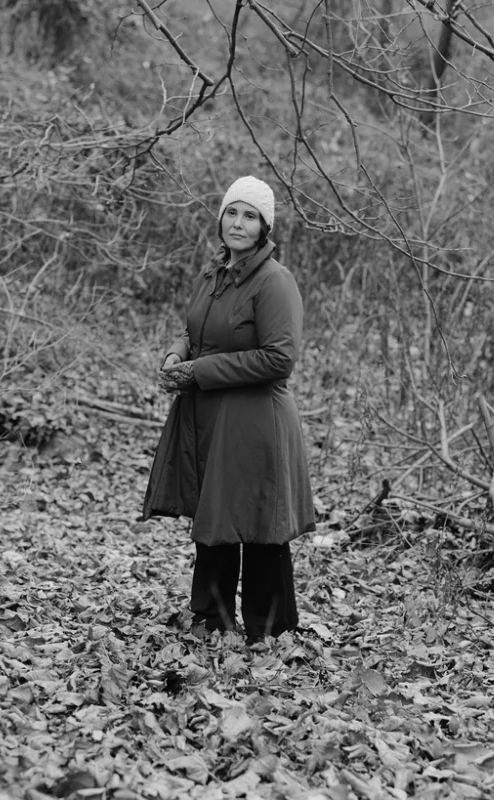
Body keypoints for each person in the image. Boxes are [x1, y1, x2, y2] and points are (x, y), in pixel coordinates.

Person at [142, 175, 316, 641]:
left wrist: (201, 370)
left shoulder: (274, 282)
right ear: (221, 218)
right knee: (216, 517)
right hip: (213, 419)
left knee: (261, 524)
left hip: (257, 423)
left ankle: (270, 630)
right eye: (232, 213)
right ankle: (212, 620)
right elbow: (195, 330)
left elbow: (280, 359)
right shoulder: (212, 275)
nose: (238, 223)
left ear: (265, 227)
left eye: (250, 216)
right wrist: (178, 354)